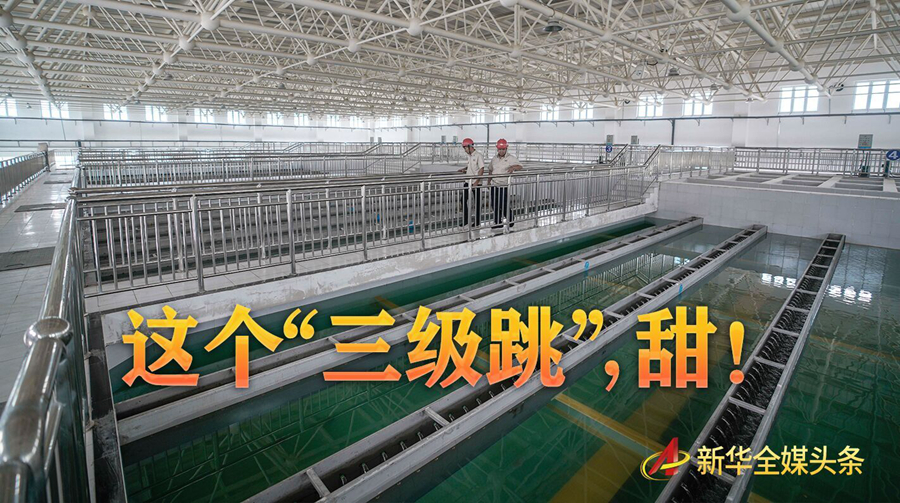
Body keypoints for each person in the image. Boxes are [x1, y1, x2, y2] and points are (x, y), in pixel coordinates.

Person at [488, 138, 523, 228]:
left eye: (503, 149)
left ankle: (510, 219)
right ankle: (498, 222)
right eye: (500, 149)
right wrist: (488, 181)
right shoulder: (494, 159)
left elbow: (520, 166)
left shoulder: (510, 158)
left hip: (503, 185)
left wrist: (513, 167)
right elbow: (490, 170)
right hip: (494, 184)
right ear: (497, 149)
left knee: (503, 204)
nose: (501, 151)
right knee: (494, 204)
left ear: (506, 149)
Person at [457, 137, 484, 226]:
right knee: (463, 200)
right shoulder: (469, 156)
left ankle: (477, 221)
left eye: (465, 148)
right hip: (467, 182)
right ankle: (466, 220)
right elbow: (469, 167)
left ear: (470, 147)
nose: (465, 150)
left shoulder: (478, 156)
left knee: (477, 202)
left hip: (476, 183)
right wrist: (464, 169)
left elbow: (481, 169)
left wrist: (476, 182)